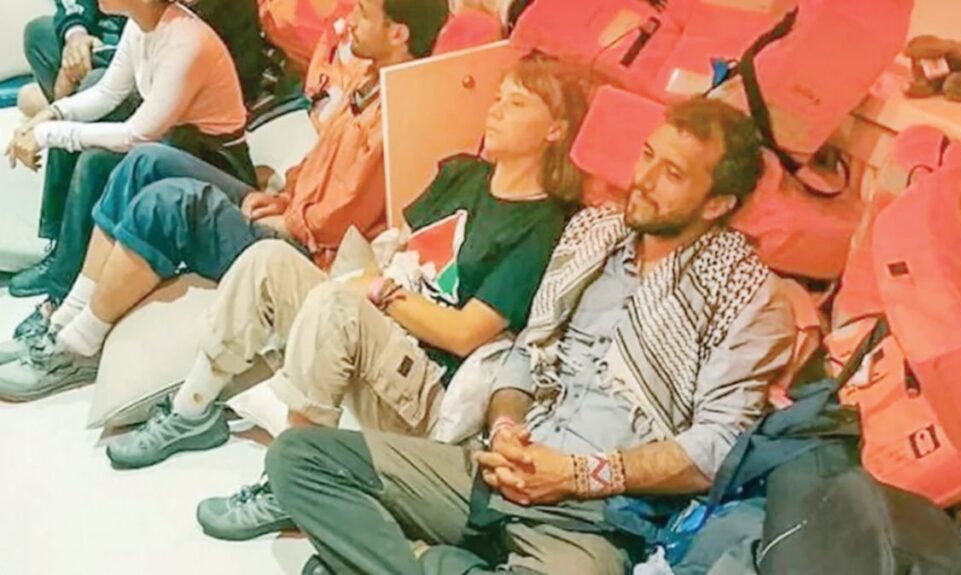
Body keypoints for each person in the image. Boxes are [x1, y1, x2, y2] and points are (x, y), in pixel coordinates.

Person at [264, 97, 797, 575]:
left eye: (673, 173)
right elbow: (527, 351)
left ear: (716, 204)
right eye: (648, 155)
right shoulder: (594, 235)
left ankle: (425, 561)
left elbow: (715, 449)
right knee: (299, 460)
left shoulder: (747, 296)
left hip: (592, 518)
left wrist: (574, 474)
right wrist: (505, 427)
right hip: (497, 468)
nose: (645, 178)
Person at [106, 54, 590, 546]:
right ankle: (192, 410)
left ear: (555, 130)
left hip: (424, 386)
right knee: (268, 259)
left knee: (336, 308)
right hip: (381, 333)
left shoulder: (542, 226)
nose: (495, 109)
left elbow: (464, 333)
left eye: (517, 103)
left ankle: (290, 485)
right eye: (498, 96)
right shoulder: (462, 172)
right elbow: (398, 253)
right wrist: (368, 286)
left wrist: (378, 294)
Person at [0, 0, 452, 402]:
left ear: (399, 33)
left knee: (166, 202)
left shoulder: (396, 110)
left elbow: (340, 217)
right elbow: (320, 166)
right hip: (286, 210)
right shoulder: (365, 82)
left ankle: (78, 346)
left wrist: (290, 217)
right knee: (145, 163)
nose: (349, 19)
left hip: (304, 250)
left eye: (363, 14)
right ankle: (65, 317)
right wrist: (283, 197)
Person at [8, 0, 267, 302]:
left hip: (213, 160)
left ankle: (59, 294)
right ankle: (61, 258)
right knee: (76, 120)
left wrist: (45, 135)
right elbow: (107, 93)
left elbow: (135, 135)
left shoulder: (188, 40)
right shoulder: (141, 24)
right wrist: (51, 114)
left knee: (95, 160)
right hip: (172, 139)